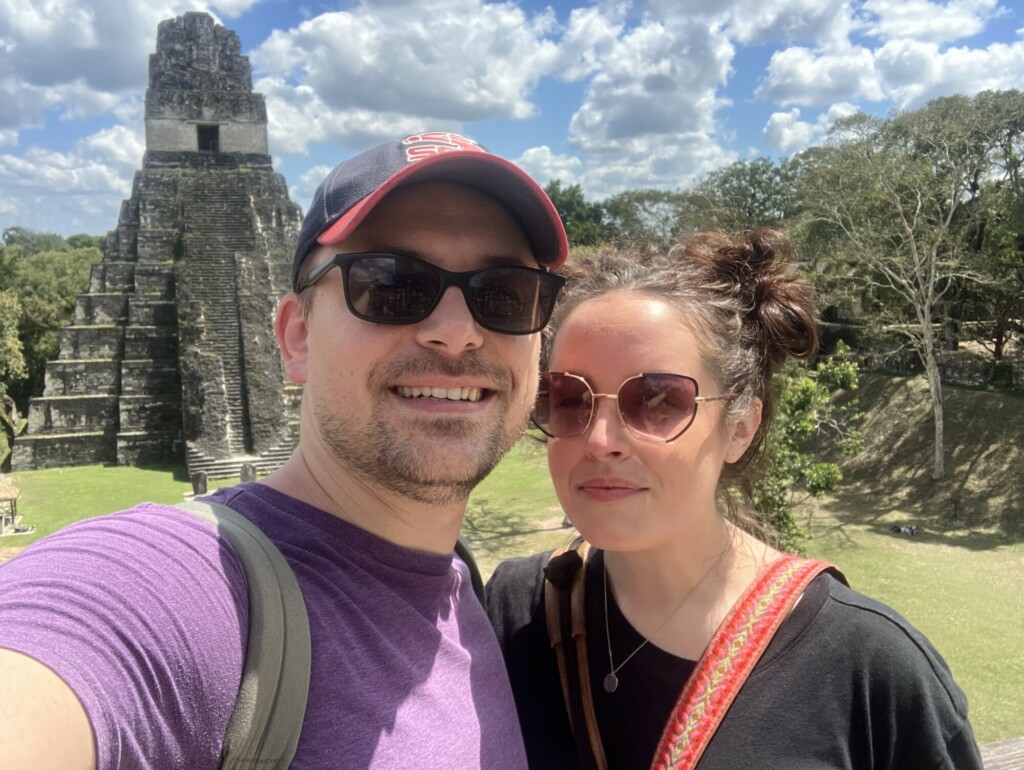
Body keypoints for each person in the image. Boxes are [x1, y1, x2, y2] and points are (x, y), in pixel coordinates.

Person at [0, 131, 569, 769]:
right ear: (297, 336)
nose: (458, 332)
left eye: (504, 295)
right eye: (392, 285)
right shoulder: (173, 588)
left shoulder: (473, 597)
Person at [486, 231, 983, 769]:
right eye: (570, 398)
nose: (601, 440)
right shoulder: (517, 610)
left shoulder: (870, 669)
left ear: (741, 424)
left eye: (656, 400)